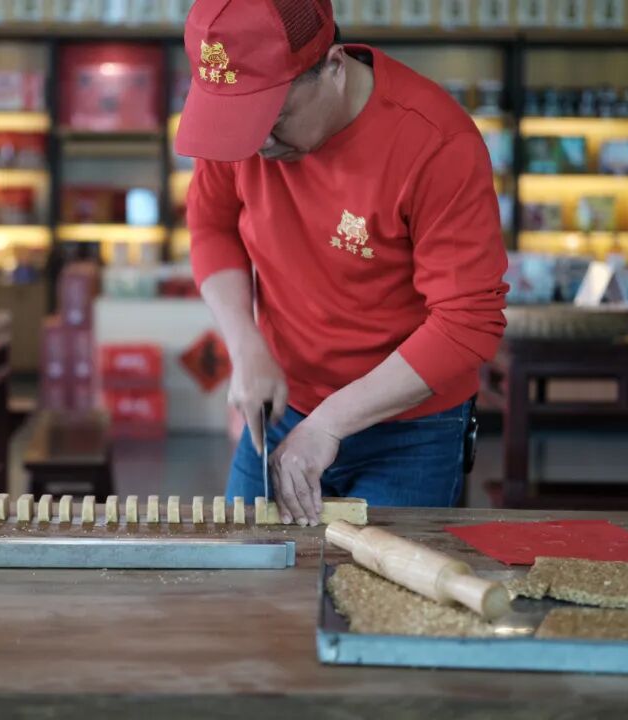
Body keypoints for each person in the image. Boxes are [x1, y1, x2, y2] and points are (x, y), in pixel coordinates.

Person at [175, 0, 509, 525]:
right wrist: (246, 344)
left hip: (410, 428)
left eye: (272, 119)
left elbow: (468, 321)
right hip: (286, 406)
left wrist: (330, 423)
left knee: (378, 578)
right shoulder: (239, 130)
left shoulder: (435, 144)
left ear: (333, 67)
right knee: (247, 568)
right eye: (238, 122)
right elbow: (211, 228)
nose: (256, 144)